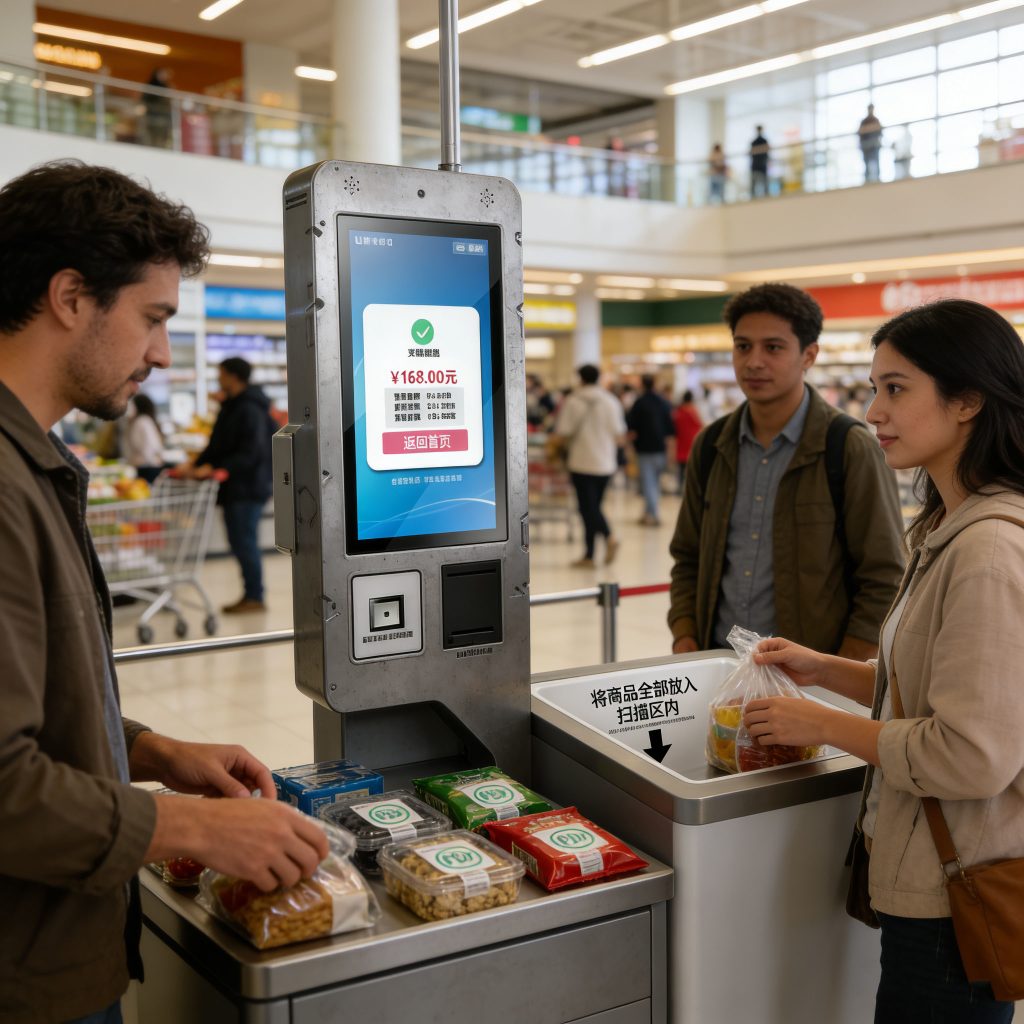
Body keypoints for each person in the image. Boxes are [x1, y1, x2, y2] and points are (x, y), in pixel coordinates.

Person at [0, 161, 328, 1024]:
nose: (159, 352)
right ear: (71, 296)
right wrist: (190, 828)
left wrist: (146, 750)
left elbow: (32, 699)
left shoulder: (36, 463)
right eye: (152, 318)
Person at [743, 299, 1024, 1022]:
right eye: (874, 388)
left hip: (957, 891)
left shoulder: (989, 550)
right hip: (925, 870)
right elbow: (932, 688)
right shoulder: (946, 523)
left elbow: (970, 753)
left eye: (896, 388)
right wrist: (827, 670)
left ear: (967, 401)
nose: (874, 410)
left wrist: (822, 724)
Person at [667, 283, 905, 659]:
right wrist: (685, 637)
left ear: (809, 355)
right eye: (743, 346)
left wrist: (837, 672)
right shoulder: (712, 445)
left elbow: (884, 575)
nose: (754, 361)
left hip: (809, 679)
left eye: (773, 348)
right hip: (718, 667)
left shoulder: (847, 447)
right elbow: (687, 557)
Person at [184, 357, 275, 614]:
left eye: (221, 373)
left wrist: (218, 468)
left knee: (244, 542)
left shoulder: (249, 408)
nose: (218, 377)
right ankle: (251, 594)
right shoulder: (232, 405)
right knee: (239, 541)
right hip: (235, 487)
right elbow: (216, 445)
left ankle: (255, 597)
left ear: (233, 376)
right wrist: (195, 464)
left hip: (248, 488)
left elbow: (252, 451)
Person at [554, 364, 626, 568]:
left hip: (581, 462)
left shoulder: (573, 401)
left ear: (580, 378)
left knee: (588, 508)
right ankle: (589, 554)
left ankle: (608, 537)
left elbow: (563, 432)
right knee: (592, 508)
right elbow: (619, 434)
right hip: (605, 463)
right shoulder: (611, 401)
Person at [627, 374, 674, 525]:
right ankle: (648, 512)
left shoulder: (639, 403)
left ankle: (652, 514)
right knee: (654, 482)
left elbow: (631, 427)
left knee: (648, 482)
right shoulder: (663, 402)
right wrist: (670, 450)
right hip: (660, 448)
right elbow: (670, 429)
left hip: (644, 449)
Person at [122, 392, 165, 483]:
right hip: (147, 466)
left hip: (143, 466)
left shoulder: (139, 422)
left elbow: (148, 446)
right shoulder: (143, 421)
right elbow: (152, 446)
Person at [673, 389, 703, 494]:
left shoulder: (678, 412)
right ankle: (689, 488)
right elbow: (700, 425)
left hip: (681, 441)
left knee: (680, 466)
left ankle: (679, 487)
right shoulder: (694, 411)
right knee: (691, 466)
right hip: (692, 442)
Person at [142, 67, 173, 149]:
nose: (164, 76)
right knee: (152, 135)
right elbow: (146, 99)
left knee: (161, 136)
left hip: (162, 117)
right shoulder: (151, 85)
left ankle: (159, 147)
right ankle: (152, 147)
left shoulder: (165, 86)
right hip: (153, 115)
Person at [859, 104, 884, 184]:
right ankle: (867, 179)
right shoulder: (864, 121)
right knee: (866, 163)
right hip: (866, 146)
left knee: (876, 161)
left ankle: (877, 178)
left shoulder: (876, 120)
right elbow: (860, 132)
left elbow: (880, 132)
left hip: (874, 145)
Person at [750, 126, 770, 198]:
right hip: (758, 165)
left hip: (760, 165)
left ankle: (763, 195)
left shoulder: (758, 141)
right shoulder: (755, 142)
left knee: (762, 183)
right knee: (757, 183)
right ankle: (757, 196)